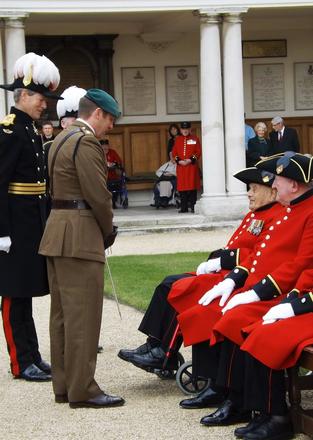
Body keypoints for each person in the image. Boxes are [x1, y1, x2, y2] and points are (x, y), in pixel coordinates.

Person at [192, 153, 313, 438]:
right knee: (237, 320)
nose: (274, 185)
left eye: (278, 180)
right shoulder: (293, 208)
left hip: (294, 296)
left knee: (262, 333)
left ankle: (276, 416)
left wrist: (289, 301)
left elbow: (302, 265)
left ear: (293, 184)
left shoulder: (307, 211)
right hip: (288, 292)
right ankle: (247, 403)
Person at [117, 167, 280, 374]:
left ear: (273, 192)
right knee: (168, 284)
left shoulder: (275, 215)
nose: (249, 193)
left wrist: (222, 261)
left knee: (180, 288)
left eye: (254, 189)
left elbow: (256, 255)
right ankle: (156, 345)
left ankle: (163, 353)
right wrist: (218, 257)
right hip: (226, 272)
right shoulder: (257, 213)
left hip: (237, 276)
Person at [39, 88, 125, 408]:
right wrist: (107, 229)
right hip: (80, 233)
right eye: (111, 119)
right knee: (84, 317)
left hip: (57, 230)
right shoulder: (86, 141)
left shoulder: (60, 138)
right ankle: (83, 390)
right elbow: (98, 195)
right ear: (97, 114)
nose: (112, 126)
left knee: (61, 317)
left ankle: (63, 386)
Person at [0, 52, 62, 381]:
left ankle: (32, 356)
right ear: (23, 95)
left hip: (32, 222)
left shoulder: (31, 129)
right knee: (13, 293)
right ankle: (19, 362)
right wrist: (2, 232)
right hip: (14, 226)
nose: (44, 105)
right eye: (41, 98)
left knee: (25, 292)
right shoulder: (9, 131)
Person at [172, 121, 201, 213]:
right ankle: (183, 207)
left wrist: (190, 160)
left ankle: (193, 206)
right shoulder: (177, 139)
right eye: (183, 129)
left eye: (187, 129)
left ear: (189, 129)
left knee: (192, 187)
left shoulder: (195, 138)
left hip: (191, 167)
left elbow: (198, 152)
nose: (185, 131)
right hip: (181, 167)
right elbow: (174, 153)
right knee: (182, 188)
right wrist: (179, 160)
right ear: (180, 130)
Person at [100, 139, 124, 208]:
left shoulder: (112, 152)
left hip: (113, 177)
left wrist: (113, 164)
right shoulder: (98, 153)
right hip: (102, 178)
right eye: (103, 146)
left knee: (115, 186)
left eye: (106, 145)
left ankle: (114, 202)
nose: (105, 147)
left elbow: (118, 162)